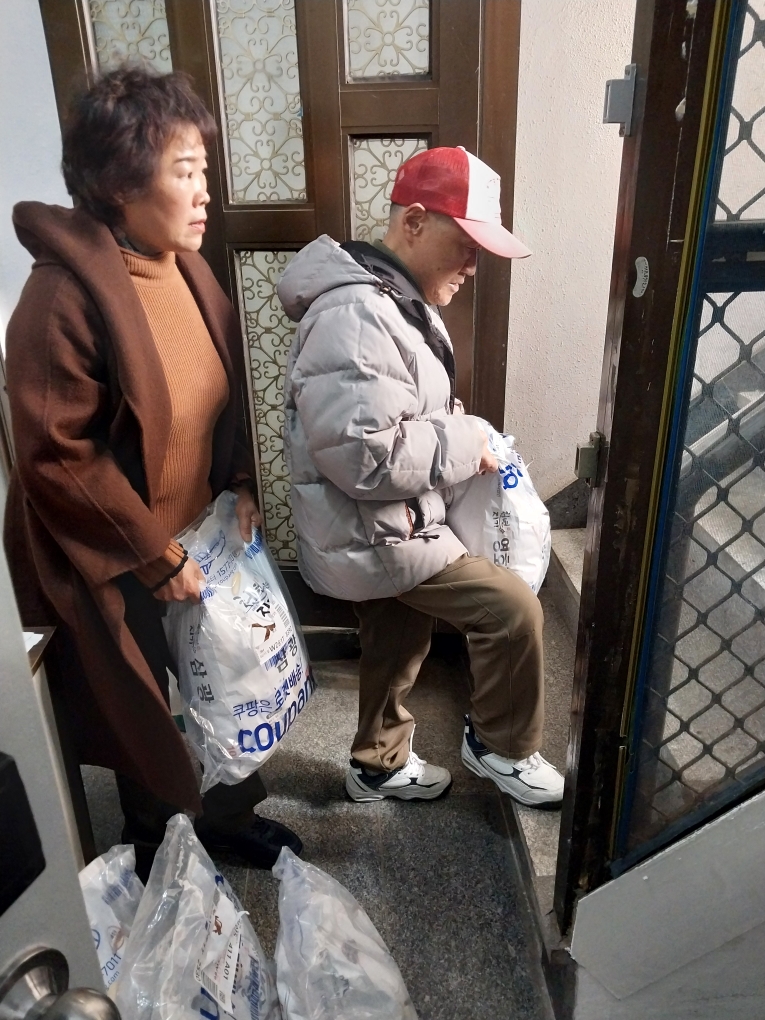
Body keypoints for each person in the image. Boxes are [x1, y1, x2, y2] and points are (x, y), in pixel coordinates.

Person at [3, 67, 302, 879]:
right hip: (108, 548)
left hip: (192, 530)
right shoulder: (59, 301)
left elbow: (217, 393)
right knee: (141, 704)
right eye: (184, 171)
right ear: (117, 183)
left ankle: (229, 819)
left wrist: (238, 482)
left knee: (220, 678)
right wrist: (150, 553)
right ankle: (161, 845)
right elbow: (56, 453)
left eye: (203, 168)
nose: (205, 192)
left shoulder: (185, 266)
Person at [279, 146, 564, 807]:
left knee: (396, 633)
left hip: (384, 522)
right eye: (465, 245)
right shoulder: (358, 314)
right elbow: (364, 456)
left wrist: (461, 432)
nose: (473, 265)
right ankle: (500, 746)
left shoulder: (392, 300)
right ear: (413, 222)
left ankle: (377, 765)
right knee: (511, 612)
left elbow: (395, 415)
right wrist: (466, 441)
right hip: (379, 530)